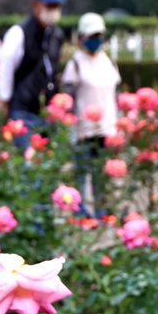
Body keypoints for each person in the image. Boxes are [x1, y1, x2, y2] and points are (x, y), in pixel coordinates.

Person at [62, 13, 121, 218]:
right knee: (81, 174)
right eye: (91, 36)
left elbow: (115, 95)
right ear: (81, 38)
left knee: (101, 175)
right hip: (83, 130)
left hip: (107, 129)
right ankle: (80, 215)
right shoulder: (75, 64)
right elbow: (67, 98)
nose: (96, 40)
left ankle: (102, 211)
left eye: (99, 36)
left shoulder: (108, 62)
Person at [0, 0, 66, 148]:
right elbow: (5, 69)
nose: (53, 10)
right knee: (29, 161)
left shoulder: (56, 35)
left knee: (50, 161)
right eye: (49, 5)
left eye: (56, 6)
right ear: (36, 5)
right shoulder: (19, 33)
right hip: (24, 111)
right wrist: (8, 103)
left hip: (48, 113)